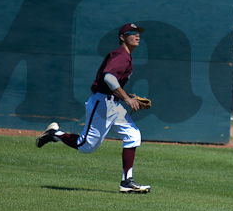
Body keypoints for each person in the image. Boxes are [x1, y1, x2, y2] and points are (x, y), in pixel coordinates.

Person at [35, 23, 151, 194]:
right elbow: (109, 77)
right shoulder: (120, 55)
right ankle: (54, 134)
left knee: (133, 135)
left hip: (113, 104)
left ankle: (127, 182)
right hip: (102, 103)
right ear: (122, 37)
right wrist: (126, 98)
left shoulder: (126, 56)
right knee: (86, 146)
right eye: (132, 33)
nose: (137, 35)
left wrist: (124, 97)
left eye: (138, 33)